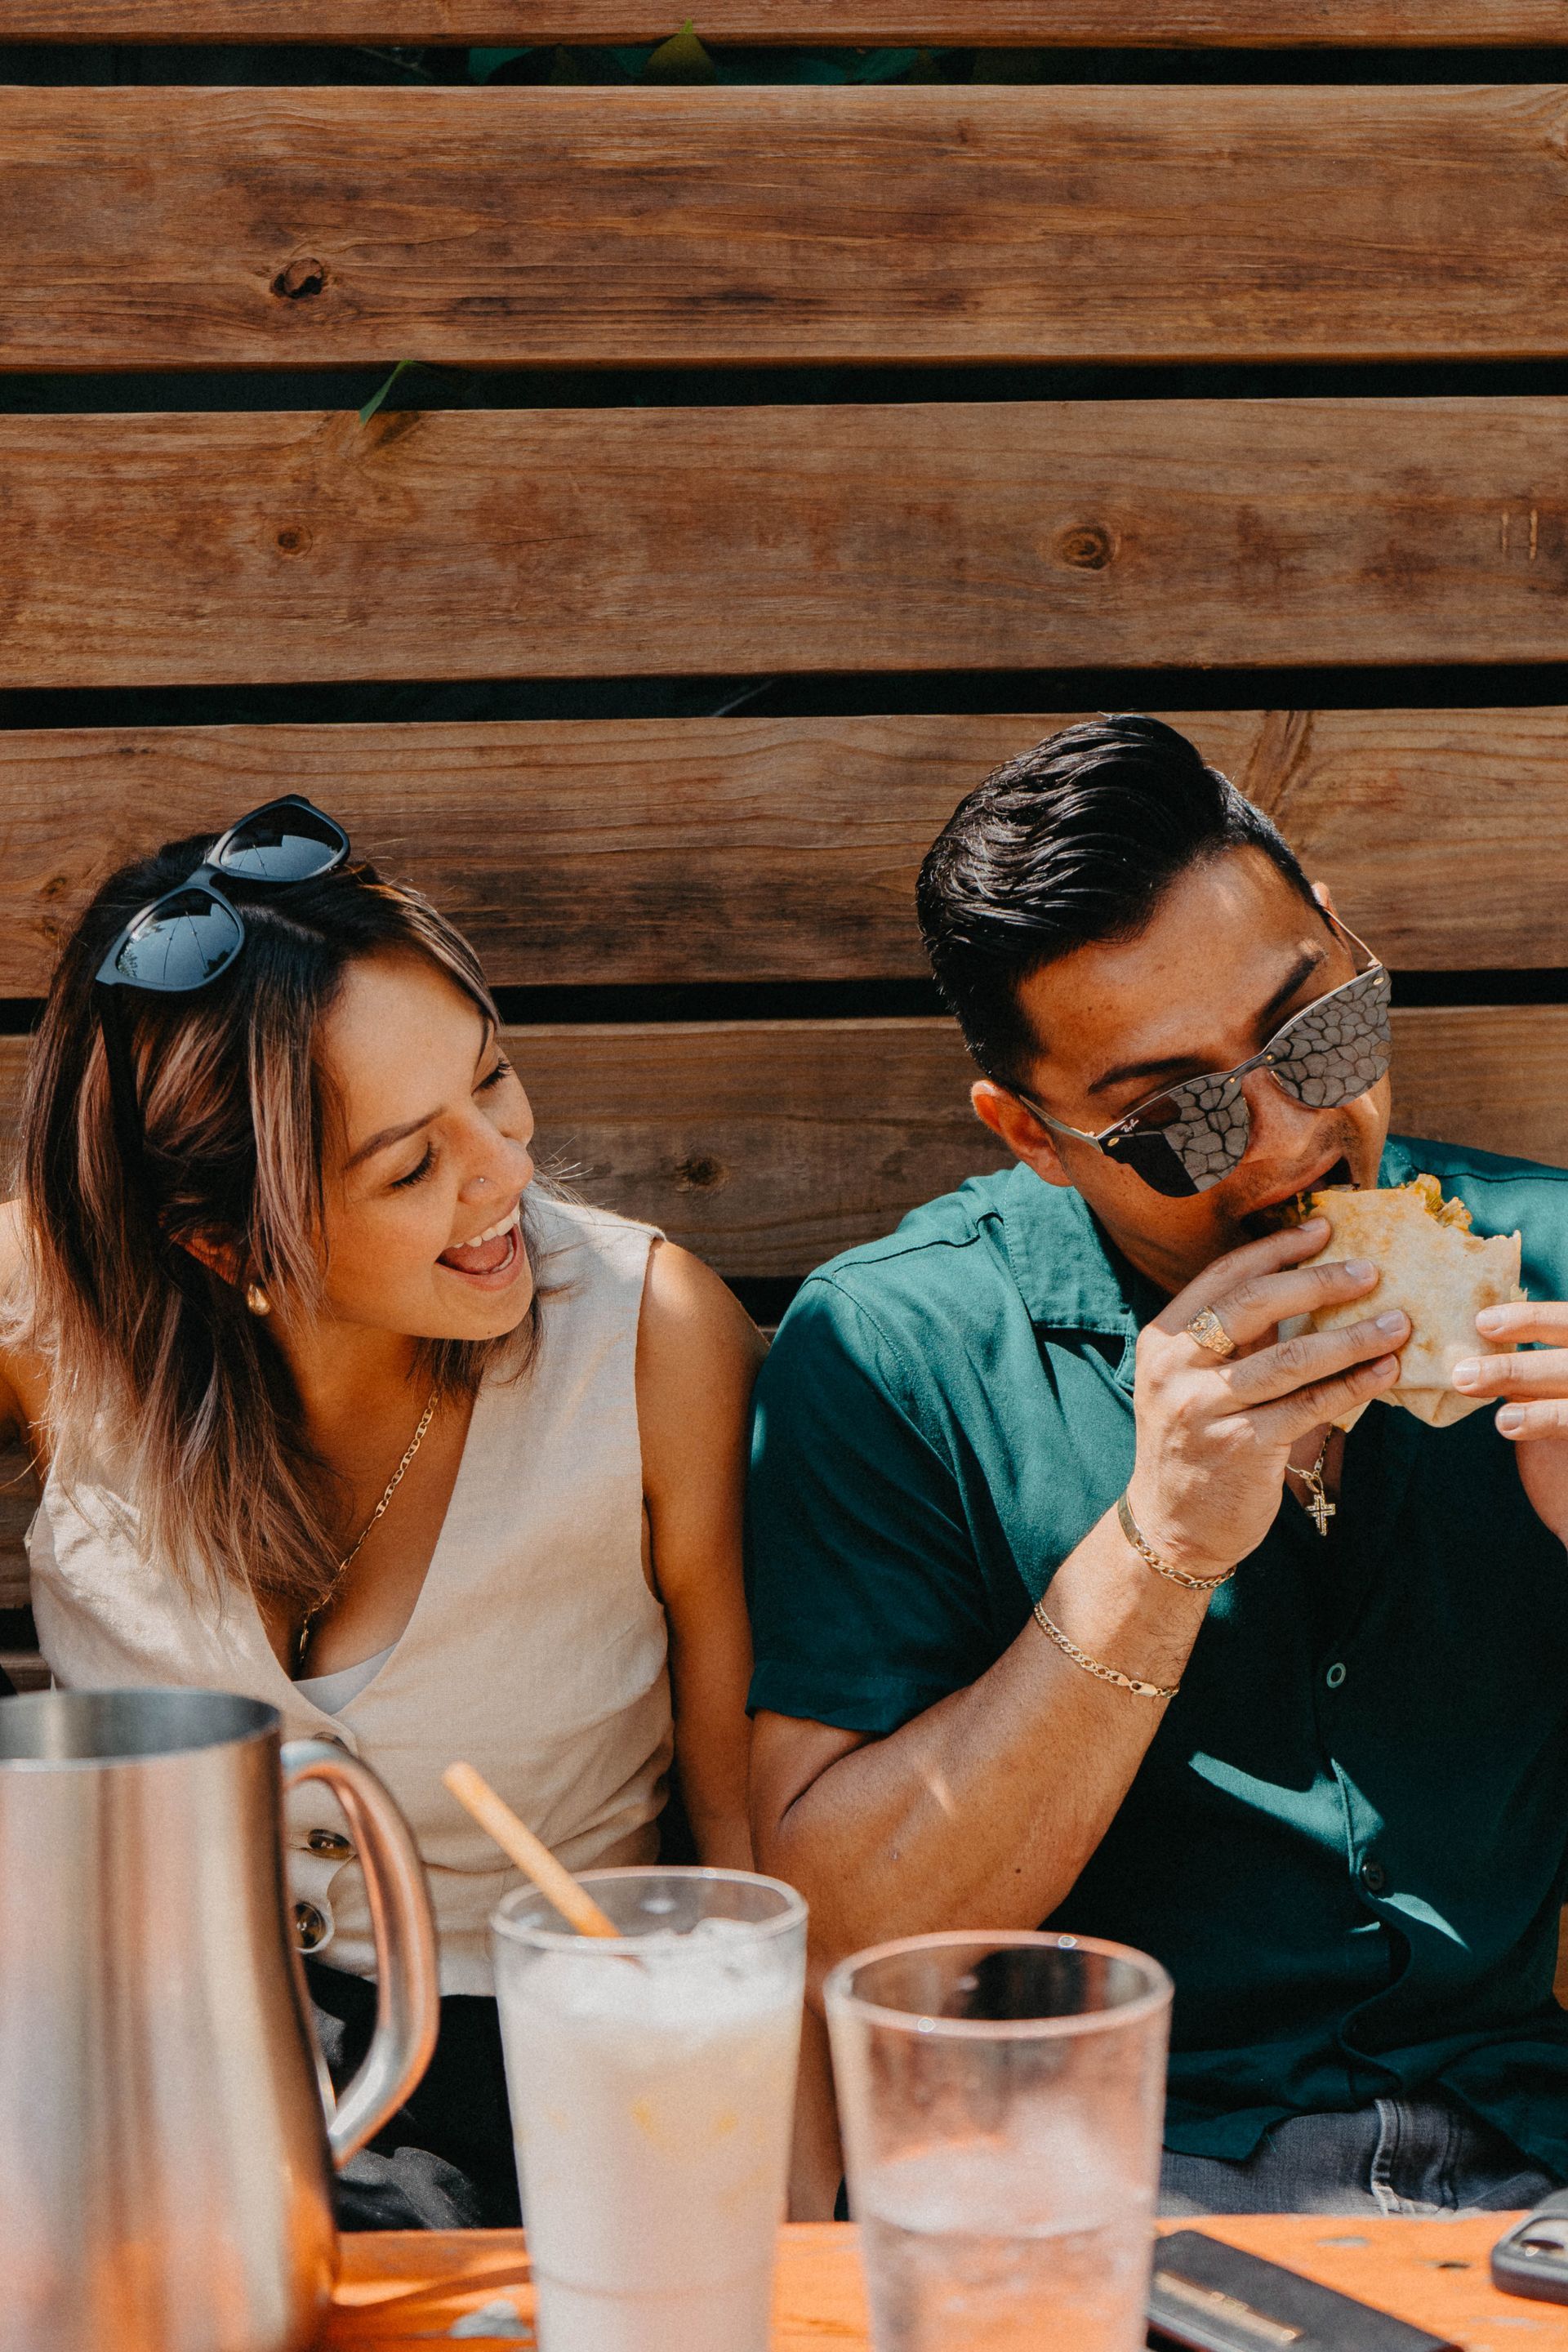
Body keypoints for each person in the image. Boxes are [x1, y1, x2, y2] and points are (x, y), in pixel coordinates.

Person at [747, 715, 1568, 2217]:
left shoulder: (1556, 1273)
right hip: (1111, 2176)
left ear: (1346, 937)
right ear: (1037, 1136)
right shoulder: (896, 1353)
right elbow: (850, 1926)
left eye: (1318, 1031)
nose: (1290, 1140)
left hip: (1537, 2154)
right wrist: (1160, 1548)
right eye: (1176, 1118)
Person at [0, 796, 764, 2228]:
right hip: (138, 2077)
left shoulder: (653, 1340)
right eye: (412, 1166)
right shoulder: (53, 1317)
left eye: (495, 1081)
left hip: (542, 2090)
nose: (507, 1174)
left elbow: (744, 1842)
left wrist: (781, 2223)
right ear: (219, 1240)